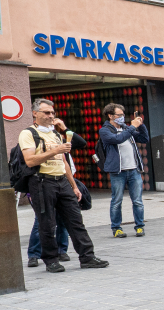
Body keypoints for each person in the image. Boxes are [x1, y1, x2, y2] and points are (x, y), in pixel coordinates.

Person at [20, 98, 109, 273]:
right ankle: (51, 260)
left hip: (62, 180)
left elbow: (64, 163)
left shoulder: (55, 134)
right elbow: (30, 160)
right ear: (35, 113)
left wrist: (73, 186)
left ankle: (87, 257)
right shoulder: (28, 133)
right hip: (41, 181)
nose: (51, 116)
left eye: (53, 112)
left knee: (76, 221)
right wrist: (54, 150)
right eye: (46, 112)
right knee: (47, 223)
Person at [98, 103, 149, 237]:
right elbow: (118, 139)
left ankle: (139, 226)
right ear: (110, 116)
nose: (122, 117)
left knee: (137, 200)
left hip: (134, 170)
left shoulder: (127, 128)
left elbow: (144, 138)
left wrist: (140, 124)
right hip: (118, 172)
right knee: (117, 201)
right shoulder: (105, 131)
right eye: (119, 115)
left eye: (123, 115)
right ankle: (116, 228)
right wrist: (133, 127)